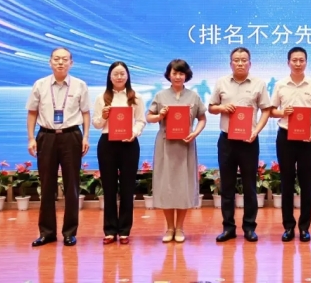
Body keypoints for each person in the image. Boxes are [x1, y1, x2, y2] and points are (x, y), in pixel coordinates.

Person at [26, 47, 90, 247]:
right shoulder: (40, 85)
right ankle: (47, 232)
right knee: (47, 185)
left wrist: (86, 137)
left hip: (71, 136)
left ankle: (70, 232)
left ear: (71, 63)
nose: (60, 62)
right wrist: (31, 138)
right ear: (50, 62)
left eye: (64, 59)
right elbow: (32, 112)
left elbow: (85, 113)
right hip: (46, 136)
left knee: (72, 185)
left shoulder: (80, 85)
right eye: (56, 59)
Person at [209, 47, 271, 243]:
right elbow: (211, 108)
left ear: (250, 63)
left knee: (249, 186)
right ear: (231, 63)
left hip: (249, 141)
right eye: (236, 60)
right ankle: (228, 228)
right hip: (226, 141)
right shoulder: (221, 82)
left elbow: (266, 110)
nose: (240, 63)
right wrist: (221, 107)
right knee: (227, 186)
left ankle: (249, 227)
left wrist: (256, 131)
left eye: (244, 60)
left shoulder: (259, 84)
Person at [270, 47, 311, 242]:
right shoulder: (280, 85)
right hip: (285, 137)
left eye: (301, 60)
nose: (298, 63)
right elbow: (271, 111)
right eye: (294, 60)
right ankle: (288, 227)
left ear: (306, 62)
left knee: (306, 183)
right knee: (286, 182)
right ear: (288, 62)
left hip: (307, 137)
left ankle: (304, 227)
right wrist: (283, 112)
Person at [146, 59, 207, 243]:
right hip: (165, 145)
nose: (178, 76)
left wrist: (195, 133)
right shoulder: (160, 95)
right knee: (166, 185)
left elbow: (202, 118)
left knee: (183, 186)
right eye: (174, 73)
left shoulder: (193, 96)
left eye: (181, 73)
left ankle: (179, 227)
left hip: (186, 144)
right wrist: (160, 115)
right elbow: (149, 117)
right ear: (169, 75)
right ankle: (169, 228)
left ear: (186, 75)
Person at [92, 61, 146, 245]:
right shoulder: (102, 97)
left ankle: (124, 230)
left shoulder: (136, 97)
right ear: (110, 76)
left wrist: (134, 133)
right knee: (108, 188)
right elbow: (96, 124)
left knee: (127, 188)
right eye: (115, 74)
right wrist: (103, 116)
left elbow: (141, 121)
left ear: (128, 75)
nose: (119, 77)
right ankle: (109, 230)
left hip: (129, 144)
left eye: (122, 73)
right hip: (107, 144)